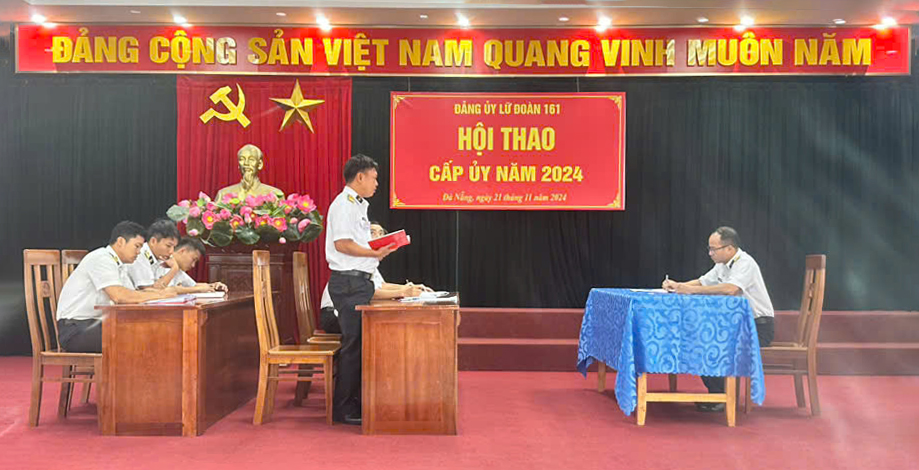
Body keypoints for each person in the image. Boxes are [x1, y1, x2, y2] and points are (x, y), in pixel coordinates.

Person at [662, 226, 775, 412]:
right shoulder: (722, 265)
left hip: (757, 327)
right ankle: (719, 394)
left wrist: (691, 290)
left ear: (729, 248)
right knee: (700, 340)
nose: (710, 253)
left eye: (713, 249)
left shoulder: (745, 263)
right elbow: (702, 281)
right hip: (738, 325)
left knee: (709, 343)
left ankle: (722, 396)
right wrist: (678, 285)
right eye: (709, 249)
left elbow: (731, 289)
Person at [325, 155, 399, 425]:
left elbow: (357, 243)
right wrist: (373, 252)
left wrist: (378, 249)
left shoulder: (358, 206)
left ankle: (355, 401)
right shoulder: (343, 205)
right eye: (374, 178)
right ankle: (343, 409)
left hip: (358, 281)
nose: (377, 183)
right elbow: (343, 244)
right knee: (353, 345)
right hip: (348, 283)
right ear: (360, 177)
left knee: (360, 344)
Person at [56, 221, 180, 353]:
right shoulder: (101, 258)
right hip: (76, 329)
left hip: (97, 324)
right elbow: (120, 296)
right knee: (141, 337)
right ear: (121, 242)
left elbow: (132, 293)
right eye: (137, 246)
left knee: (152, 330)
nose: (139, 252)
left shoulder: (120, 265)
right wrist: (161, 295)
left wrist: (162, 294)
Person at [318, 222, 428, 334]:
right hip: (334, 315)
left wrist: (408, 288)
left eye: (381, 233)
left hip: (350, 312)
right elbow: (364, 292)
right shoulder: (356, 258)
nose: (378, 236)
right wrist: (402, 292)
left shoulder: (369, 261)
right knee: (386, 327)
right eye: (372, 232)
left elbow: (381, 285)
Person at [152, 237, 227, 293]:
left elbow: (192, 285)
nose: (193, 265)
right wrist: (197, 289)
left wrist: (213, 286)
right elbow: (165, 290)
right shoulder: (163, 261)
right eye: (193, 259)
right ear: (183, 251)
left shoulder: (178, 268)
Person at [215, 144, 285, 202]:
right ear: (238, 165)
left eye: (251, 159)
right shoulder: (223, 194)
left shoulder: (275, 194)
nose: (246, 163)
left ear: (260, 164)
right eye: (242, 159)